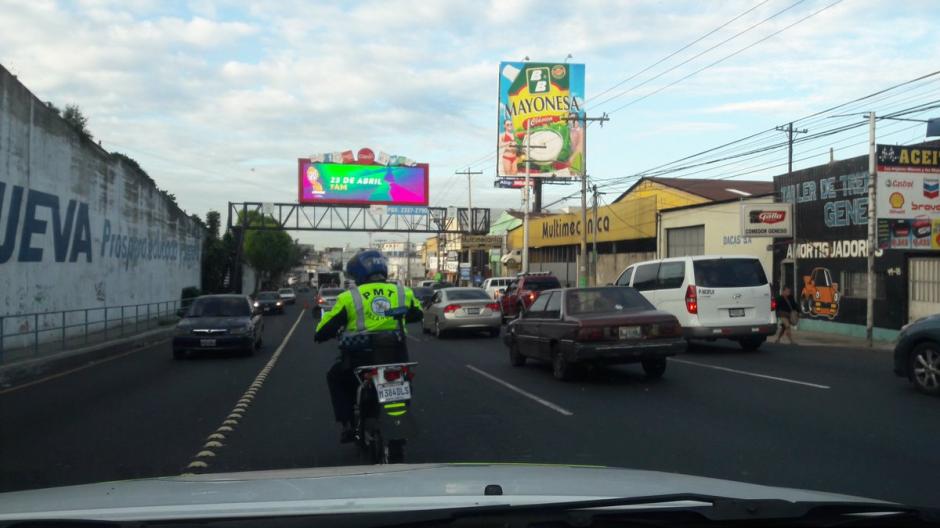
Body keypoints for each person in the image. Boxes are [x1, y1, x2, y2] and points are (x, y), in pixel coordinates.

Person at [314, 249, 423, 442]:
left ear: (358, 274)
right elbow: (417, 313)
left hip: (360, 359)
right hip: (395, 356)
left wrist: (321, 335)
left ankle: (347, 424)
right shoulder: (401, 291)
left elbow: (325, 328)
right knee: (405, 380)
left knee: (335, 377)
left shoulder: (349, 297)